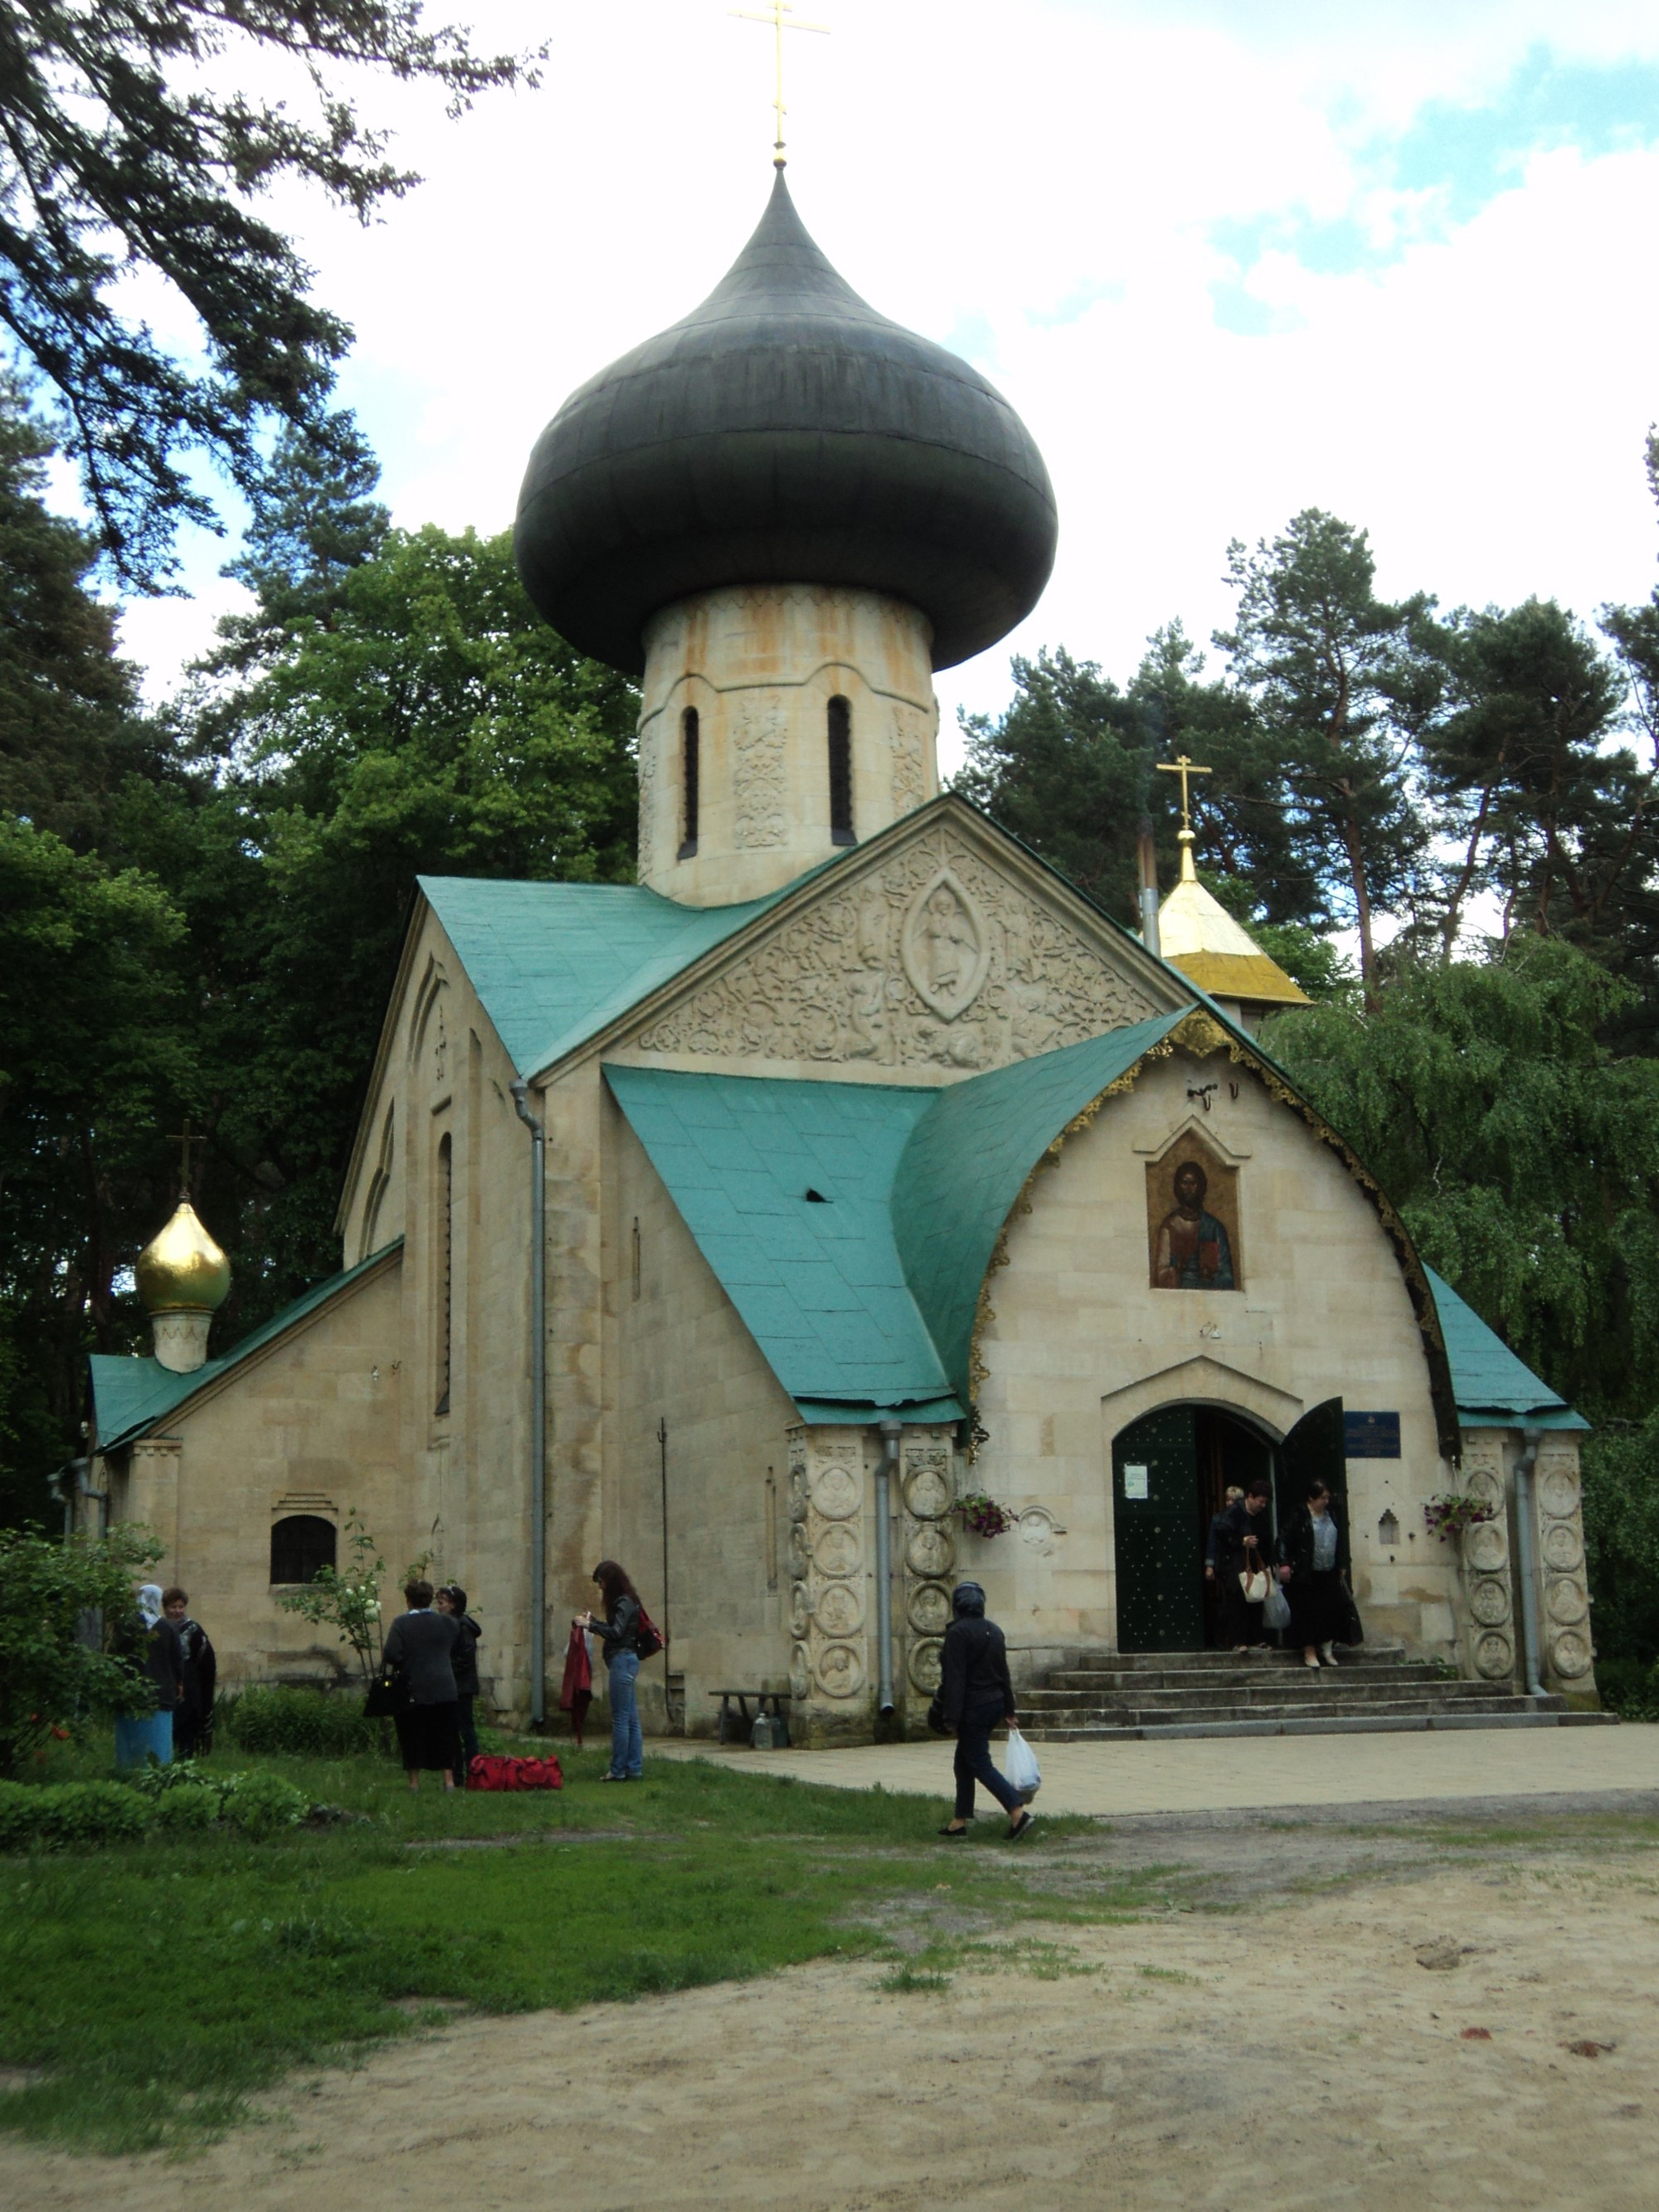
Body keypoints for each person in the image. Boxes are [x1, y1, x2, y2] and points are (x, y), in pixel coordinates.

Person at [936, 1582, 1034, 1842]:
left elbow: (955, 1679)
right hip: (994, 1704)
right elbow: (1004, 1674)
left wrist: (950, 1718)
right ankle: (959, 1822)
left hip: (973, 1707)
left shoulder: (958, 1633)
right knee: (964, 1762)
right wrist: (1009, 1709)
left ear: (957, 1606)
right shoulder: (995, 1630)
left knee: (979, 1762)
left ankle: (1017, 1812)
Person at [381, 1580, 462, 1791]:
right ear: (429, 1599)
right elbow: (456, 1646)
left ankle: (414, 1783)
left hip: (412, 1687)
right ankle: (449, 1781)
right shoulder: (448, 1623)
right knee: (445, 1734)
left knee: (411, 1734)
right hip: (444, 1686)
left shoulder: (401, 1624)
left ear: (408, 1600)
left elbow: (391, 1654)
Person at [577, 1560, 646, 1782]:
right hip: (626, 1660)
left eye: (601, 1582)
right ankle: (634, 1768)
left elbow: (616, 1632)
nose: (600, 1587)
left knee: (620, 1719)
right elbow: (617, 1627)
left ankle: (618, 1770)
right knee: (631, 1719)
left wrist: (589, 1626)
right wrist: (595, 1622)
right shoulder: (628, 1600)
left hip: (622, 1660)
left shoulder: (624, 1601)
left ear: (611, 1581)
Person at [112, 1583, 183, 1768]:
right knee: (158, 1751)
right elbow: (178, 1661)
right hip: (162, 1694)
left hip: (130, 1693)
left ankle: (127, 1772)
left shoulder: (125, 1625)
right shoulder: (168, 1628)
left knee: (130, 1751)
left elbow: (114, 1655)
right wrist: (179, 1684)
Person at [1277, 1479, 1346, 1669]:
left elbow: (1338, 1541)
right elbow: (1283, 1539)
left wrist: (1340, 1564)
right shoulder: (1300, 1515)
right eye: (1322, 1498)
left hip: (1328, 1570)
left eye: (1327, 1497)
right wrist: (1284, 1563)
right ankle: (1309, 1650)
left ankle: (1327, 1647)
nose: (1326, 1501)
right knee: (1307, 1611)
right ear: (1311, 1497)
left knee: (1329, 1608)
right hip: (1307, 1571)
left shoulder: (1331, 1514)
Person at [1153, 1160, 1235, 1289]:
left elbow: (1227, 1275)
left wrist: (1211, 1275)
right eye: (1184, 1183)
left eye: (1193, 1183)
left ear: (1201, 1186)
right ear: (1177, 1187)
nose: (1189, 1188)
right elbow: (1160, 1274)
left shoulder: (1213, 1227)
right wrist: (1176, 1270)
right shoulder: (1169, 1226)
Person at [1216, 1479, 1273, 1651]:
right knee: (1237, 1602)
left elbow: (1267, 1539)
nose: (1263, 1505)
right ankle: (1238, 1640)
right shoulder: (1234, 1512)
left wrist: (1270, 1561)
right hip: (1236, 1564)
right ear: (1250, 1497)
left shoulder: (1261, 1516)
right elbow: (1222, 1532)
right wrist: (1241, 1541)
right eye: (1260, 1501)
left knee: (1257, 1599)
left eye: (1265, 1502)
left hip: (1256, 1564)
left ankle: (1257, 1638)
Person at [161, 1587, 216, 1759]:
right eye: (173, 1607)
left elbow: (207, 1665)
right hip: (166, 1689)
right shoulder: (160, 1629)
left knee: (186, 1737)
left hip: (189, 1692)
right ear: (165, 1608)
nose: (177, 1611)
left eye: (181, 1607)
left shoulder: (194, 1631)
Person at [436, 1584, 483, 1771]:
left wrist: (444, 1669)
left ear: (453, 1605)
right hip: (453, 1684)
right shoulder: (451, 1625)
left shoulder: (463, 1627)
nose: (439, 1607)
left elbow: (465, 1658)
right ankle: (456, 1773)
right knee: (452, 1730)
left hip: (462, 1686)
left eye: (442, 1603)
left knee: (465, 1729)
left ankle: (474, 1769)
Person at [1204, 1486, 1245, 1648]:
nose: (1229, 1503)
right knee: (1228, 1603)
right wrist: (1210, 1565)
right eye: (1227, 1500)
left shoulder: (1245, 1519)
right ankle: (1222, 1638)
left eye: (1233, 1500)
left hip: (1242, 1564)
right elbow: (1212, 1543)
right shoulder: (1218, 1519)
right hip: (1225, 1565)